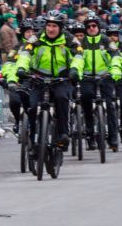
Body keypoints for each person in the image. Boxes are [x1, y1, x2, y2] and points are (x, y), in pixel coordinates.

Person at [15, 10, 82, 149]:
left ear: (61, 28)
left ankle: (63, 133)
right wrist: (21, 68)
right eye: (49, 25)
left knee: (61, 98)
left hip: (61, 79)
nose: (51, 29)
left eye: (54, 26)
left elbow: (79, 56)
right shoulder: (36, 39)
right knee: (32, 107)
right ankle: (32, 140)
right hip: (38, 79)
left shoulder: (69, 39)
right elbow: (25, 53)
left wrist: (75, 70)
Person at [78, 14, 120, 152]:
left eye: (94, 26)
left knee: (110, 106)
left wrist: (115, 70)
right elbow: (75, 58)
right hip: (87, 77)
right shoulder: (81, 43)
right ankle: (89, 134)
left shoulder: (107, 40)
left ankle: (113, 139)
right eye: (88, 26)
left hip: (105, 76)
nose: (91, 28)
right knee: (86, 100)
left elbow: (115, 55)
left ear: (98, 27)